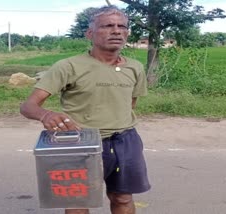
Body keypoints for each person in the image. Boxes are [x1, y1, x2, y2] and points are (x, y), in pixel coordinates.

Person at [20, 5, 151, 214]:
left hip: (126, 141)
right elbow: (28, 106)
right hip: (80, 143)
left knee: (123, 198)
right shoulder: (68, 66)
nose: (116, 31)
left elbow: (130, 103)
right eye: (108, 26)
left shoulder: (135, 67)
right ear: (90, 33)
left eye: (122, 26)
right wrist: (46, 114)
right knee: (78, 200)